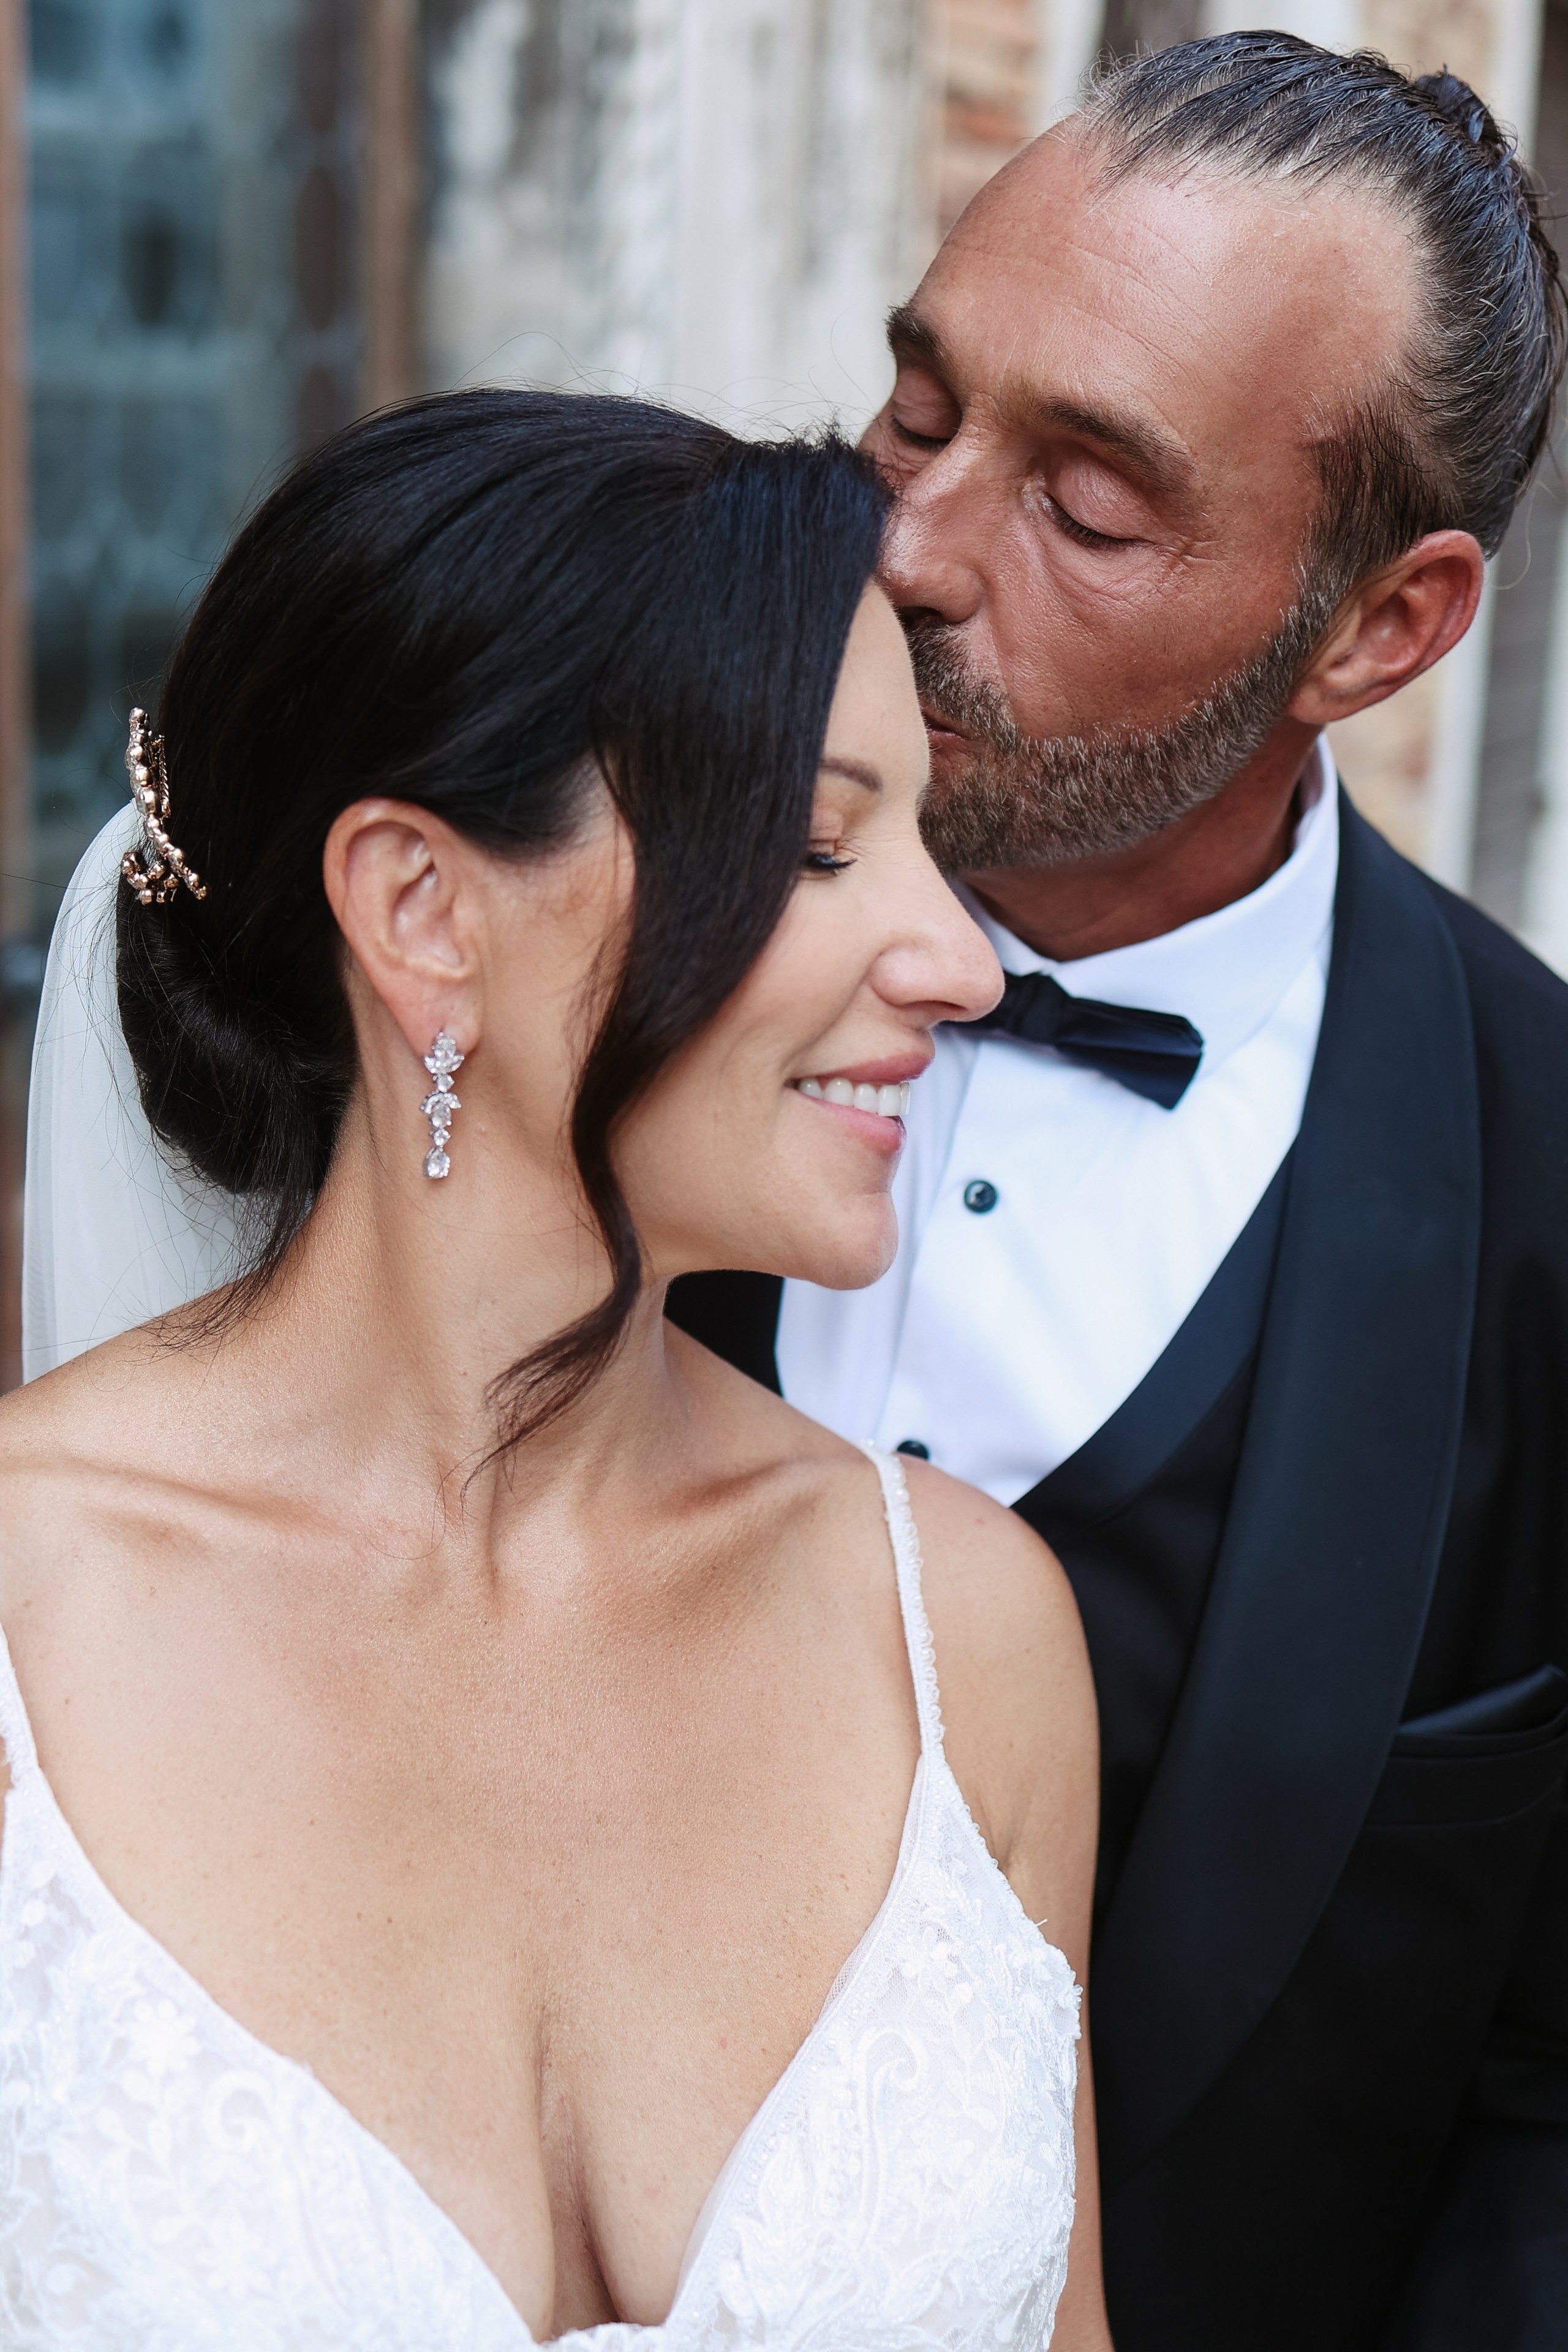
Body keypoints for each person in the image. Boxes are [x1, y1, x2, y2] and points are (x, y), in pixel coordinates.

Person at [0, 393, 1113, 2350]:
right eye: (819, 844)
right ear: (423, 910)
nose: (960, 960)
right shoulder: (30, 1609)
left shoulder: (966, 1639)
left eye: (927, 843)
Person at [668, 36, 1568, 2352]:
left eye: (1087, 505)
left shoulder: (1550, 1172)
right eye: (917, 408)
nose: (908, 546)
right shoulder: (566, 941)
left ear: (1383, 626)